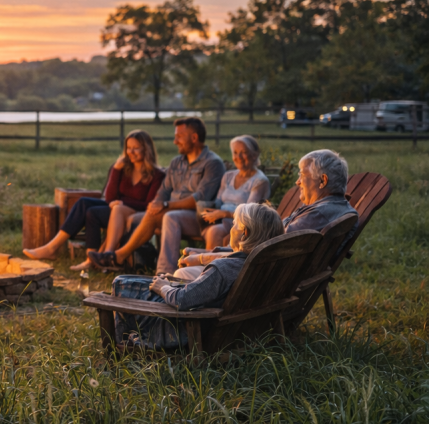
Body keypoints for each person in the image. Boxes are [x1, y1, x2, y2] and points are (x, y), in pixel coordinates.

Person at [109, 203, 284, 349]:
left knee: (121, 283)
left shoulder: (223, 269)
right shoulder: (264, 263)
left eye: (234, 224)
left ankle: (123, 344)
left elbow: (183, 300)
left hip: (189, 329)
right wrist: (174, 282)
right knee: (150, 280)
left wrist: (163, 287)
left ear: (244, 233)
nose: (231, 228)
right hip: (229, 325)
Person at [178, 148, 357, 271]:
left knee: (181, 274)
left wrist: (203, 259)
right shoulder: (332, 209)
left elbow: (263, 252)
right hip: (267, 270)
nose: (298, 182)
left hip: (260, 278)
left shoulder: (318, 215)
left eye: (302, 175)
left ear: (322, 181)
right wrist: (213, 252)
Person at [88, 117, 225, 275]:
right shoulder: (176, 162)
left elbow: (199, 198)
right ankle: (125, 261)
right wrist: (157, 203)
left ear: (194, 138)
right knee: (139, 216)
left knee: (170, 216)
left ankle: (164, 273)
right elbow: (164, 190)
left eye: (179, 137)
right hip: (171, 212)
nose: (175, 141)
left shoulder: (212, 163)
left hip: (199, 217)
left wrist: (166, 205)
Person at [23, 130, 164, 266]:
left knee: (97, 212)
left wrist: (122, 202)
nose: (130, 152)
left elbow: (149, 204)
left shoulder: (156, 175)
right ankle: (55, 248)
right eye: (128, 148)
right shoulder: (122, 168)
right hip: (115, 210)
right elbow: (109, 198)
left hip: (135, 213)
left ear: (146, 149)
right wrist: (115, 170)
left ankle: (95, 259)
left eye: (136, 148)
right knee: (84, 204)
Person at [199, 135, 270, 249]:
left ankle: (208, 264)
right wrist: (207, 208)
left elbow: (249, 214)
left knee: (214, 231)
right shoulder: (228, 176)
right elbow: (218, 202)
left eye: (243, 152)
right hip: (220, 220)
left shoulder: (259, 181)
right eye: (235, 153)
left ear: (254, 155)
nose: (239, 157)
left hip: (242, 225)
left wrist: (223, 214)